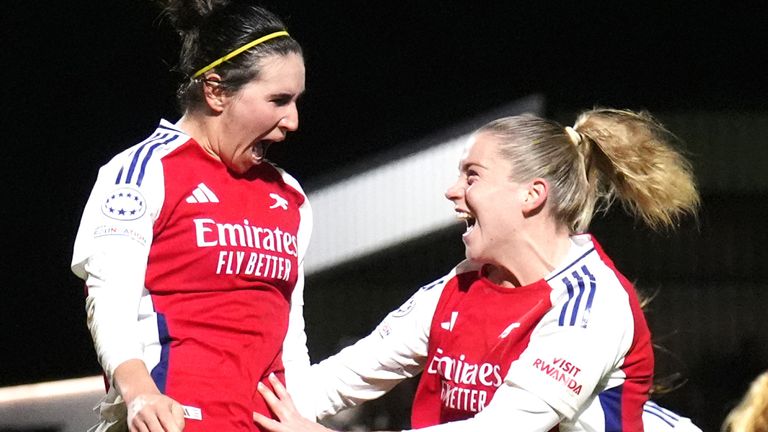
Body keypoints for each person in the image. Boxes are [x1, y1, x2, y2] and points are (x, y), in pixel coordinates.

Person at [252, 108, 700, 431]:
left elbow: (504, 427)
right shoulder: (461, 286)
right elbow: (343, 377)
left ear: (532, 195)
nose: (451, 191)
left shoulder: (590, 303)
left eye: (472, 176)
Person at [71, 1, 309, 431]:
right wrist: (139, 392)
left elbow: (292, 337)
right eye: (278, 100)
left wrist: (306, 416)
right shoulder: (143, 171)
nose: (292, 120)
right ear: (216, 91)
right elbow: (108, 298)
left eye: (295, 101)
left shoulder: (288, 195)